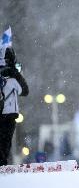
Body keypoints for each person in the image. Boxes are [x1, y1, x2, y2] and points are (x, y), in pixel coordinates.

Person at [0, 28, 29, 166]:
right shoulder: (12, 76)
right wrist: (16, 73)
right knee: (5, 143)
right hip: (9, 113)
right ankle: (2, 166)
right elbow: (25, 91)